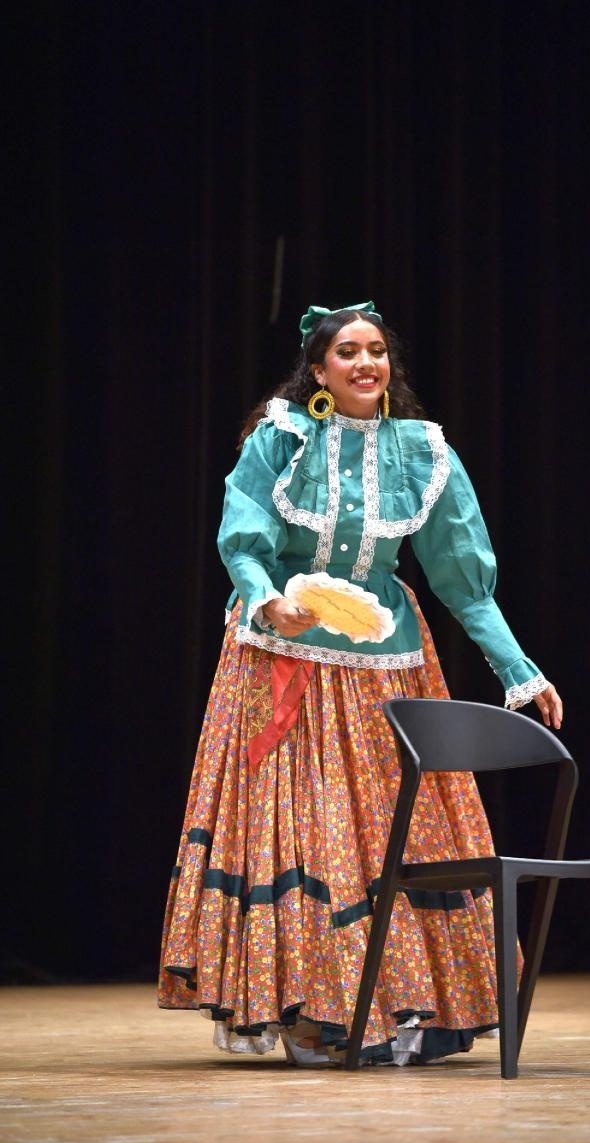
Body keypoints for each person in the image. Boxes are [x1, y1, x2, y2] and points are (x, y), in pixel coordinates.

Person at [158, 301, 563, 1066]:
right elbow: (242, 539)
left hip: (385, 661)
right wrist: (268, 600)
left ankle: (399, 1000)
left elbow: (464, 583)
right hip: (282, 652)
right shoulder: (282, 435)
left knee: (387, 830)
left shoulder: (421, 451)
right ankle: (310, 1004)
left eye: (376, 351)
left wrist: (518, 670)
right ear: (319, 369)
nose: (365, 363)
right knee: (301, 827)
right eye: (347, 352)